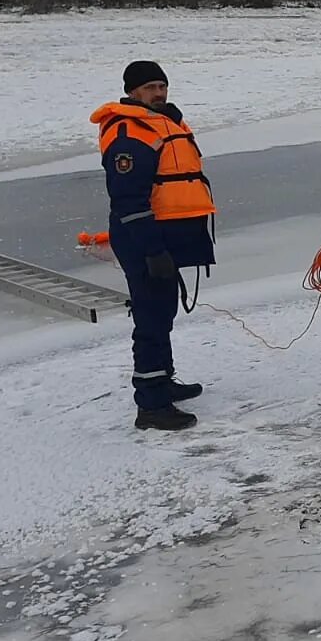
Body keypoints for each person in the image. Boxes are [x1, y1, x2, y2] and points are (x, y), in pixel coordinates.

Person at [89, 60, 216, 431]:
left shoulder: (164, 121)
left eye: (162, 86)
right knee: (151, 318)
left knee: (163, 313)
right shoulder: (128, 131)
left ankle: (162, 381)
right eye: (150, 88)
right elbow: (128, 199)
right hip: (145, 238)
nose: (159, 93)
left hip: (169, 235)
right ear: (132, 92)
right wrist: (152, 249)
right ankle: (151, 404)